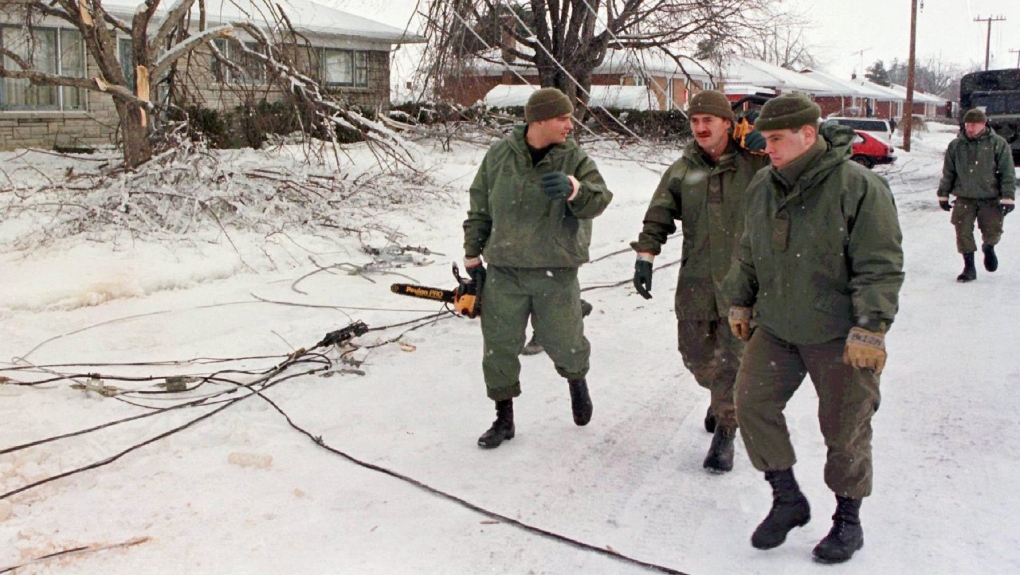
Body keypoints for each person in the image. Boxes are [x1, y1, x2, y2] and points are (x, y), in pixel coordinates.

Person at [723, 92, 904, 564]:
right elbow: (748, 249)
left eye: (776, 139)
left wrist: (871, 326)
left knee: (845, 427)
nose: (767, 148)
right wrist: (740, 299)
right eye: (764, 139)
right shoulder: (763, 185)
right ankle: (787, 498)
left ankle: (848, 519)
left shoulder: (858, 186)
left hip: (839, 334)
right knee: (751, 403)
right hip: (778, 325)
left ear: (808, 134)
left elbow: (879, 265)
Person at [462, 87, 614, 449]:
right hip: (505, 270)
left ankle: (577, 382)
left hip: (555, 270)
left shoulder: (574, 158)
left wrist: (574, 189)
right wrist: (472, 257)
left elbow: (599, 199)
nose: (570, 125)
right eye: (562, 118)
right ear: (539, 120)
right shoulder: (499, 156)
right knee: (499, 346)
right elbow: (480, 206)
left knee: (565, 340)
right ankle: (504, 418)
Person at [630, 90, 768, 473]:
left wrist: (772, 137)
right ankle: (720, 396)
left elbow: (806, 163)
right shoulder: (682, 170)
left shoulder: (757, 164)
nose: (701, 127)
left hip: (745, 283)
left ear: (728, 122)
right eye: (695, 121)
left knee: (734, 359)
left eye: (709, 120)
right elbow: (658, 215)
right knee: (695, 354)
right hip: (697, 280)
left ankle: (727, 428)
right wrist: (645, 257)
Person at [936, 107, 1016, 282]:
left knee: (992, 230)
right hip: (964, 197)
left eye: (973, 125)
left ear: (983, 124)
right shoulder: (956, 145)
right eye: (967, 125)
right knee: (962, 231)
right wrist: (943, 194)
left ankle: (989, 247)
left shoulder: (998, 144)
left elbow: (1007, 173)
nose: (970, 128)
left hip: (990, 197)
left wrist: (1008, 197)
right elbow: (948, 172)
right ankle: (969, 266)